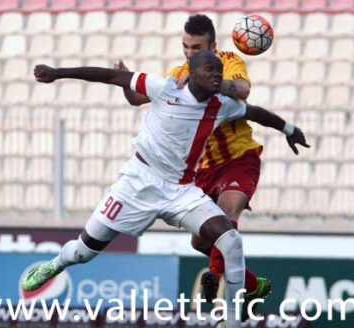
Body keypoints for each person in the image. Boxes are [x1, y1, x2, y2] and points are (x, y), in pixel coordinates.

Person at [22, 51, 308, 328]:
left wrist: (289, 128)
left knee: (231, 240)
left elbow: (256, 113)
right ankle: (56, 264)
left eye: (219, 72)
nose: (216, 76)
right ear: (192, 73)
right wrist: (58, 73)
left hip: (181, 190)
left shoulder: (221, 104)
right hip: (136, 184)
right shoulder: (164, 88)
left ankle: (232, 321)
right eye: (210, 70)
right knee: (83, 253)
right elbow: (109, 76)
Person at [114, 14, 279, 320]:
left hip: (238, 158)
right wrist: (125, 79)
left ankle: (216, 279)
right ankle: (253, 285)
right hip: (202, 169)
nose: (190, 53)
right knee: (200, 240)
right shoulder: (179, 74)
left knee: (228, 213)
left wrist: (210, 82)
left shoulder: (229, 61)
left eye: (197, 47)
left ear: (213, 46)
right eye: (186, 47)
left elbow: (242, 90)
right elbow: (137, 99)